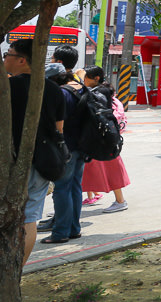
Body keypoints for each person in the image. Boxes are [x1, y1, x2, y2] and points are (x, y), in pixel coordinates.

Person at [5, 39, 66, 265]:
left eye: (8, 54)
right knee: (30, 217)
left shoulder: (8, 88)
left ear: (21, 59)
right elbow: (60, 130)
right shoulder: (53, 89)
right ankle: (17, 271)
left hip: (10, 160)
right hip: (42, 161)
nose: (5, 59)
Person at [38, 47, 89, 244]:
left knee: (61, 189)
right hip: (82, 146)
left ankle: (60, 233)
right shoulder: (81, 88)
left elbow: (55, 124)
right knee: (75, 187)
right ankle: (74, 228)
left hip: (65, 148)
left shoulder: (61, 94)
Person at [81, 78, 131, 213]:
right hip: (111, 142)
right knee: (109, 172)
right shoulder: (115, 104)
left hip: (104, 142)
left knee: (102, 171)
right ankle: (117, 200)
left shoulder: (104, 106)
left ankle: (118, 200)